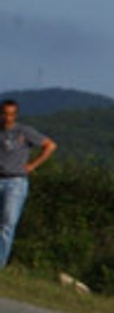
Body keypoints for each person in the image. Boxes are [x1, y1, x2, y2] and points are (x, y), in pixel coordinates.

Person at [0, 99, 56, 269]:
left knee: (7, 223)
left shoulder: (24, 132)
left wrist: (32, 165)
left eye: (11, 115)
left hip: (15, 181)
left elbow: (50, 145)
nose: (7, 118)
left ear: (15, 115)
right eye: (4, 114)